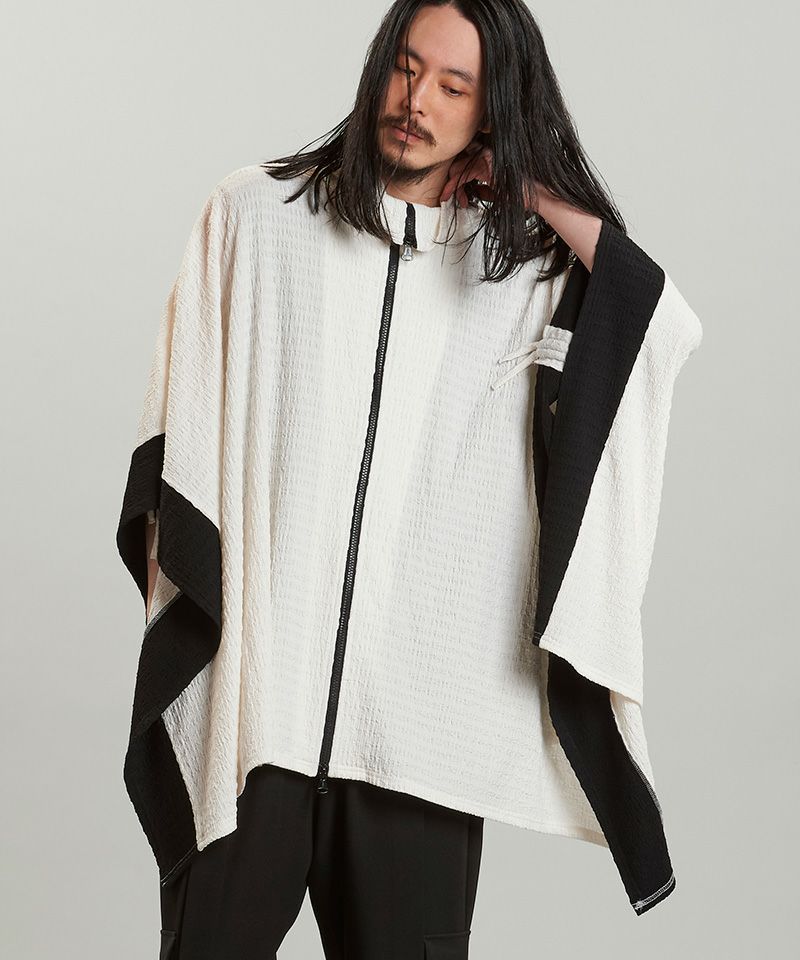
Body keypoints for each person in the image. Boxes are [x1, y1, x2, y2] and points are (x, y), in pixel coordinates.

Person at [117, 1, 703, 956]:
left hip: (421, 744)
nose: (416, 100)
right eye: (405, 66)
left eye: (454, 86)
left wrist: (536, 192)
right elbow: (180, 434)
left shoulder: (521, 272)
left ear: (492, 111)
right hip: (258, 720)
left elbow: (659, 323)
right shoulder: (258, 216)